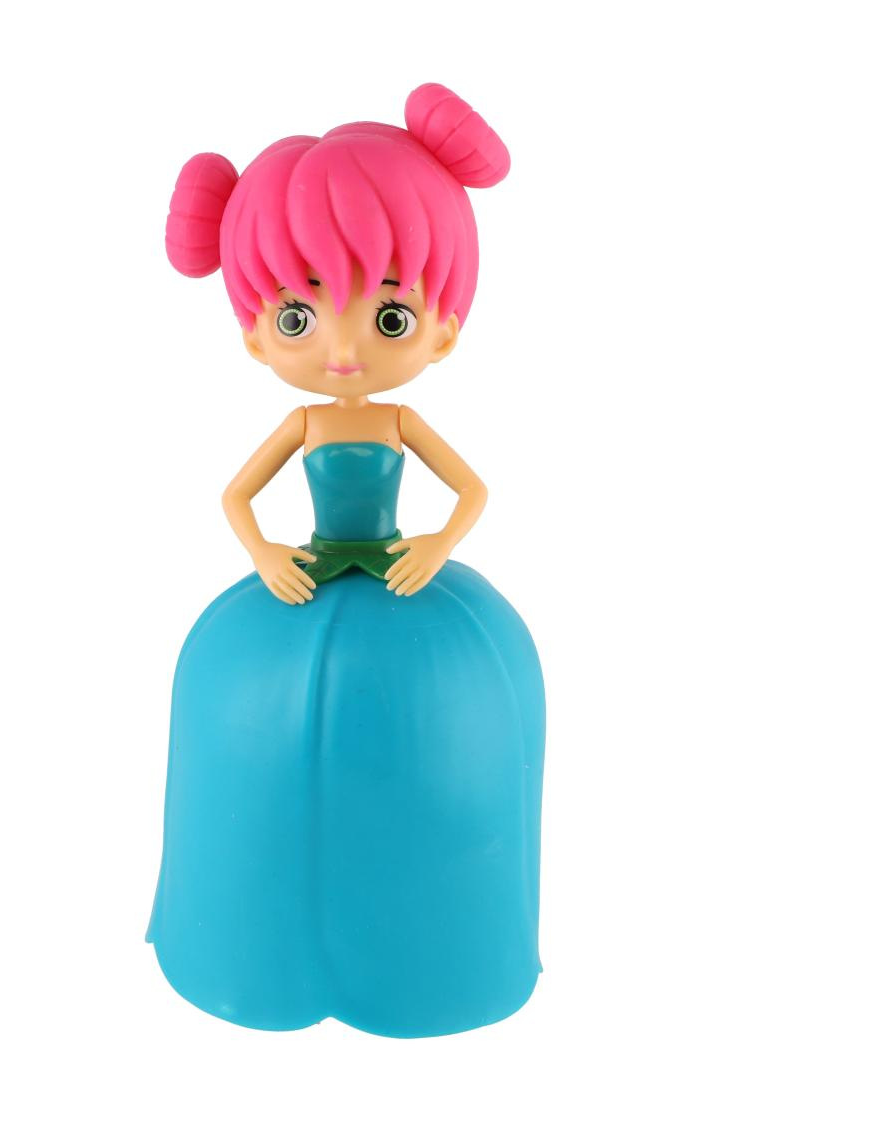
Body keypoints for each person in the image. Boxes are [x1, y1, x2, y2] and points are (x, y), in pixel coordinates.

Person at [146, 83, 545, 1038]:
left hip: (408, 579)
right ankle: (246, 941)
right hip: (301, 579)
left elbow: (471, 492)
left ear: (444, 325)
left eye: (390, 315)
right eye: (298, 316)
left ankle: (433, 954)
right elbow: (237, 497)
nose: (341, 348)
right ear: (256, 332)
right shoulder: (303, 422)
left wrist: (436, 546)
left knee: (450, 721)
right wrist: (265, 555)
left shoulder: (402, 421)